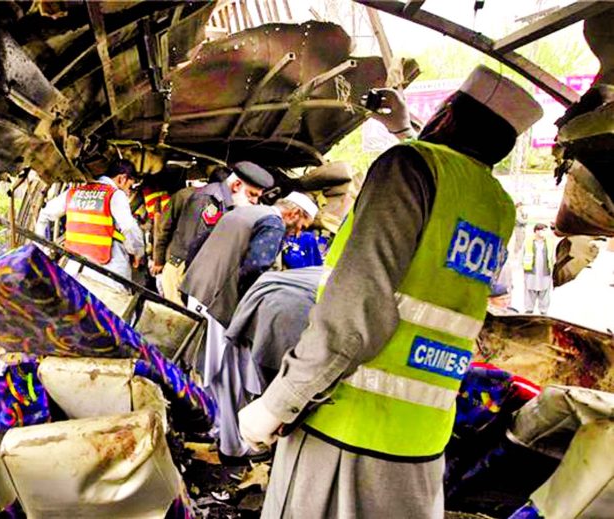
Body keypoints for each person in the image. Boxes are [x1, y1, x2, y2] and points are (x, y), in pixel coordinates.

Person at [238, 66, 543, 518]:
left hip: (347, 427)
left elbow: (356, 316)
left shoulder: (410, 167)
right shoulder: (495, 204)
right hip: (422, 439)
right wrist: (402, 129)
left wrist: (279, 402)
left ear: (447, 119)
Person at [182, 193, 317, 458]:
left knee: (209, 372)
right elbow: (255, 269)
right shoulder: (273, 224)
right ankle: (233, 446)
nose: (299, 232)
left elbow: (197, 245)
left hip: (197, 292)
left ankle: (215, 428)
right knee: (229, 377)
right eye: (302, 225)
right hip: (220, 302)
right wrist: (252, 312)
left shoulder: (243, 212)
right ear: (293, 214)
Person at [151, 163, 274, 303]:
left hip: (193, 273)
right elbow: (196, 247)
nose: (254, 201)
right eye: (252, 194)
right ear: (237, 185)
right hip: (184, 272)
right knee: (180, 319)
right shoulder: (209, 200)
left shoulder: (225, 201)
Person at [35, 159, 144, 291]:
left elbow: (44, 215)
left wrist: (42, 249)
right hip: (108, 270)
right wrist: (138, 252)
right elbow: (129, 227)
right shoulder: (114, 194)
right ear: (122, 179)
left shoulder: (74, 192)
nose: (129, 193)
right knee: (115, 308)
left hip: (75, 267)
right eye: (130, 187)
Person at [523, 223, 553, 315]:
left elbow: (552, 257)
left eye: (544, 230)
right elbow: (522, 256)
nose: (543, 232)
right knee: (530, 290)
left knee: (544, 291)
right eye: (542, 230)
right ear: (536, 231)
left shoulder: (549, 242)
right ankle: (529, 309)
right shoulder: (528, 242)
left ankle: (543, 310)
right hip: (531, 272)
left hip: (544, 272)